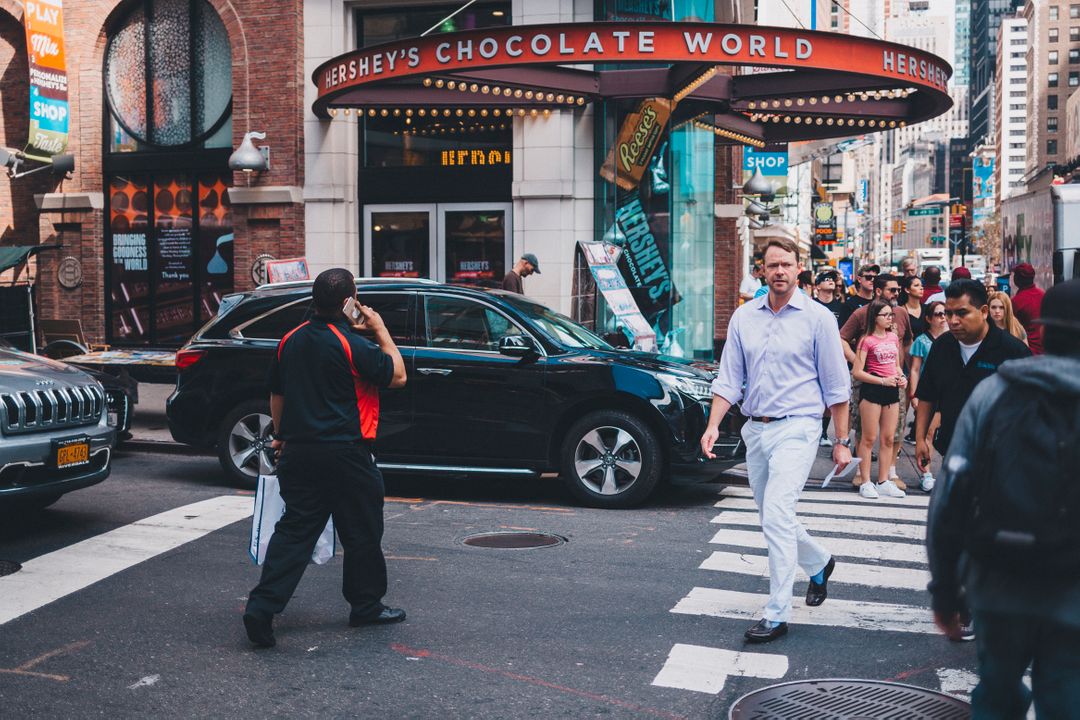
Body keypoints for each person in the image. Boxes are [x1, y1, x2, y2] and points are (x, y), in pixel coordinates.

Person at [927, 279, 1080, 717]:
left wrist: (945, 591)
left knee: (996, 688)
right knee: (1066, 692)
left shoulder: (997, 392)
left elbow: (950, 496)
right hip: (1072, 582)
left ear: (1044, 333)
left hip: (998, 574)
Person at [243, 268, 408, 649]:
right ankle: (365, 605)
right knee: (363, 532)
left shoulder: (290, 340)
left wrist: (281, 437)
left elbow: (277, 396)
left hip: (299, 453)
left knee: (295, 530)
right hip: (347, 453)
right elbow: (397, 376)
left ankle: (262, 607)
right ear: (349, 301)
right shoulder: (353, 344)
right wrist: (380, 329)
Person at [701, 237, 851, 644]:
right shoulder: (743, 318)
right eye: (772, 265)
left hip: (799, 426)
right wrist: (713, 424)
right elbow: (729, 378)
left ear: (799, 268)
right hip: (756, 428)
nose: (780, 271)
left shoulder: (819, 318)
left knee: (778, 514)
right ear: (762, 270)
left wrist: (841, 440)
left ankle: (776, 613)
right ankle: (819, 563)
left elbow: (837, 386)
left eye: (786, 264)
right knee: (772, 516)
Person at [839, 274, 913, 489]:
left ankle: (887, 476)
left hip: (893, 383)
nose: (896, 294)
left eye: (898, 290)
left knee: (892, 434)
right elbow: (842, 339)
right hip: (870, 384)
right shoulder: (862, 315)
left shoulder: (900, 315)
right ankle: (864, 478)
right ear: (879, 291)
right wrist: (858, 361)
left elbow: (906, 342)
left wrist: (903, 373)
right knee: (866, 433)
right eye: (892, 290)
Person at [850, 299, 908, 498]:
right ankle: (865, 481)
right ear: (875, 318)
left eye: (891, 314)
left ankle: (883, 480)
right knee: (868, 438)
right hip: (873, 390)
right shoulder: (866, 340)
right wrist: (882, 380)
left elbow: (896, 364)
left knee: (888, 438)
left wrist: (902, 377)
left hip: (892, 390)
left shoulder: (892, 338)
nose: (890, 318)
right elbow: (857, 371)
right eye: (886, 315)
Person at [906, 301, 947, 491]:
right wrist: (914, 394)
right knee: (927, 434)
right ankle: (926, 474)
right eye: (938, 314)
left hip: (947, 393)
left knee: (946, 434)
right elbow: (914, 370)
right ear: (929, 319)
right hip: (928, 393)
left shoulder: (952, 339)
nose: (943, 317)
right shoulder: (921, 341)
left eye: (945, 313)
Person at [1010, 262, 1044, 355]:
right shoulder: (1043, 295)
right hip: (1045, 350)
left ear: (1018, 279)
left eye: (1015, 275)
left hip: (1028, 351)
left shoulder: (1016, 302)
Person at [838, 263, 877, 327]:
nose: (872, 280)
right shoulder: (849, 304)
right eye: (868, 277)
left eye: (875, 277)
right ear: (859, 279)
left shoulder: (879, 302)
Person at [900, 275, 927, 339]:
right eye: (916, 285)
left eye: (922, 285)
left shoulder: (927, 309)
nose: (921, 288)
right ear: (907, 289)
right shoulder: (901, 311)